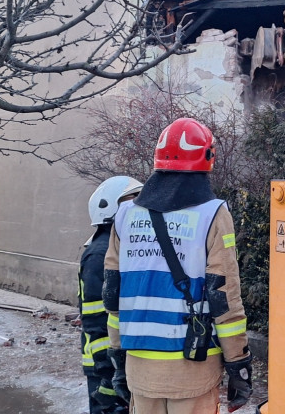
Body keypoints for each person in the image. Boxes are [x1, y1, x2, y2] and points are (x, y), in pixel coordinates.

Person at [102, 117, 252, 414]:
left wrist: (118, 358)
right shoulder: (213, 214)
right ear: (207, 158)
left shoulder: (125, 215)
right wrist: (238, 363)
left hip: (140, 368)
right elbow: (224, 297)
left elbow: (113, 296)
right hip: (193, 368)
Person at [82, 175, 143, 414]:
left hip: (118, 361)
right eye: (131, 201)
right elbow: (96, 320)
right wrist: (110, 372)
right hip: (104, 366)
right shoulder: (100, 255)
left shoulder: (118, 245)